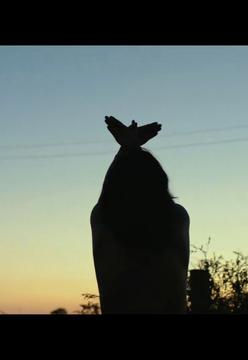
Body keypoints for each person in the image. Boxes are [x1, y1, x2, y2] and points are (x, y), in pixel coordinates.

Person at [91, 116, 190, 314]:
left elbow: (107, 197)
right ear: (160, 182)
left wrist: (128, 147)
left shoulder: (104, 221)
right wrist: (131, 147)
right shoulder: (177, 219)